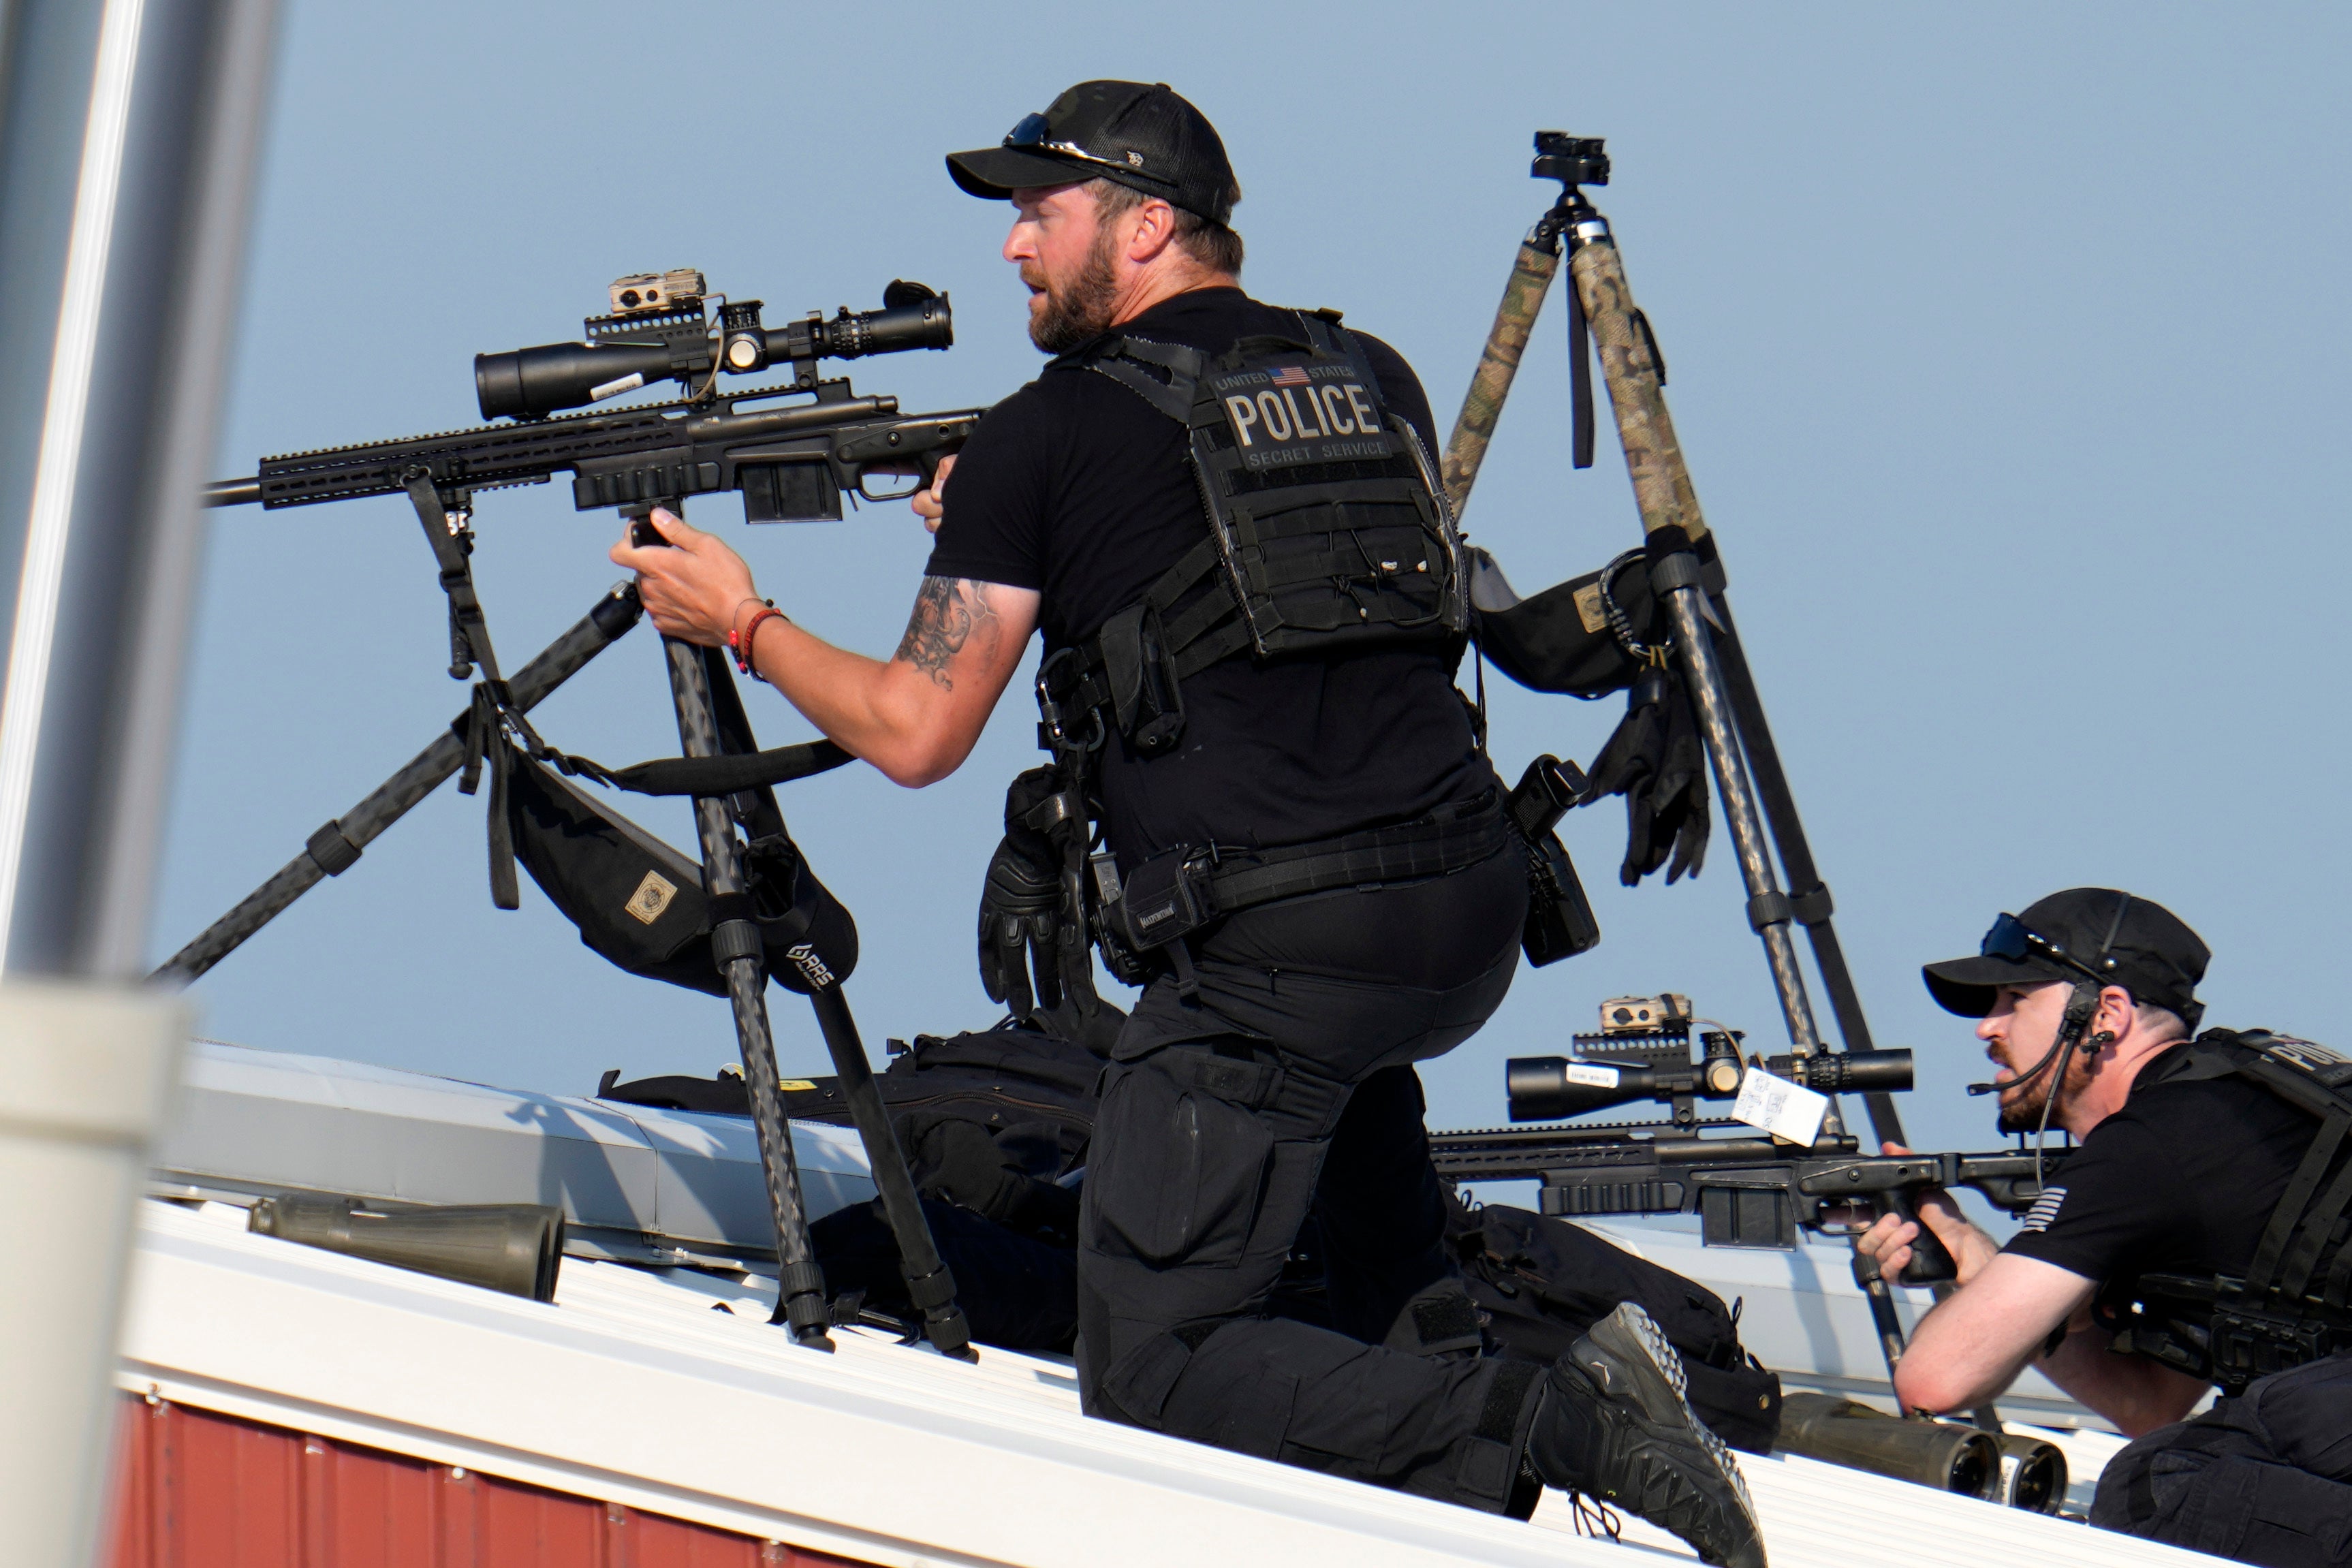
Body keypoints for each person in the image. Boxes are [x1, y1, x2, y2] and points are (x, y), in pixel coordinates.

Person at [610, 79, 1762, 1567]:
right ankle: (1483, 1429)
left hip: (1275, 952)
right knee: (1363, 1252)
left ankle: (1561, 1414)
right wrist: (1016, 527)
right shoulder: (1369, 374)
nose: (1015, 247)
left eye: (1042, 211)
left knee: (1153, 1365)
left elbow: (916, 729)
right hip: (1459, 915)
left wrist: (740, 615)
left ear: (1146, 224)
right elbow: (1244, 571)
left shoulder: (1050, 435)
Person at [1860, 888, 2352, 1566]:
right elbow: (2151, 1401)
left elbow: (1933, 1380)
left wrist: (1984, 1284)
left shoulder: (2149, 1141)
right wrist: (1979, 1263)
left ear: (2107, 1012)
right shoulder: (2233, 1099)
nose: (1986, 1028)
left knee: (2158, 1483)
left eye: (2015, 999)